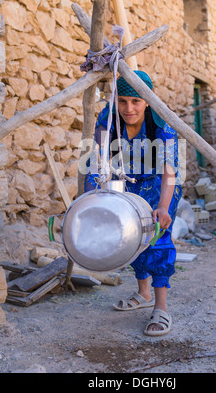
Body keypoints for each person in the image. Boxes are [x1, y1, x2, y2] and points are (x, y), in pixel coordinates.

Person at [84, 70, 183, 336]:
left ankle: (161, 307)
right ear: (116, 101)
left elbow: (169, 173)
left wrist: (163, 207)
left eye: (136, 102)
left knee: (157, 236)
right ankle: (143, 293)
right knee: (131, 236)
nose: (129, 108)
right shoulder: (107, 120)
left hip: (160, 185)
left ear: (147, 101)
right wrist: (93, 197)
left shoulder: (163, 125)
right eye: (123, 101)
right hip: (126, 182)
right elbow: (99, 161)